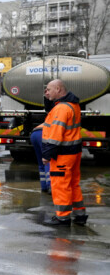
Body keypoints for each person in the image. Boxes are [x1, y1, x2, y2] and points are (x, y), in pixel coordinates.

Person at [40, 79, 87, 226]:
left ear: (58, 89)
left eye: (48, 89)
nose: (46, 92)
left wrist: (47, 155)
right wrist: (47, 99)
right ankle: (80, 215)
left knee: (60, 185)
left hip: (63, 155)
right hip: (73, 152)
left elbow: (55, 135)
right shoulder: (73, 105)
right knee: (73, 184)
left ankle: (63, 217)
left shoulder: (61, 109)